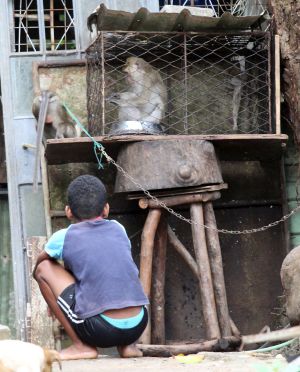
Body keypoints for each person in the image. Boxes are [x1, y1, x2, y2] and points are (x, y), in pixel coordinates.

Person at [33, 175, 149, 360]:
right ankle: (128, 347)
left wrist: (52, 299)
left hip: (99, 329)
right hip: (139, 323)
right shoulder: (119, 228)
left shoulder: (64, 236)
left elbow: (41, 264)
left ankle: (81, 347)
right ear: (106, 209)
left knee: (44, 269)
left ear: (68, 211)